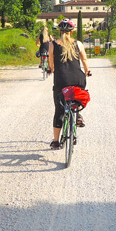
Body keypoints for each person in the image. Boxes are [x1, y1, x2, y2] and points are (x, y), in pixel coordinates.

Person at [47, 18, 91, 149]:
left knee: (59, 110)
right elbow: (84, 59)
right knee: (76, 97)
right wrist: (87, 71)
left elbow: (51, 60)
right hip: (78, 78)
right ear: (71, 32)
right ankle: (76, 114)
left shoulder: (53, 44)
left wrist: (51, 68)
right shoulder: (79, 44)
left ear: (60, 31)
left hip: (61, 80)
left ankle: (56, 141)